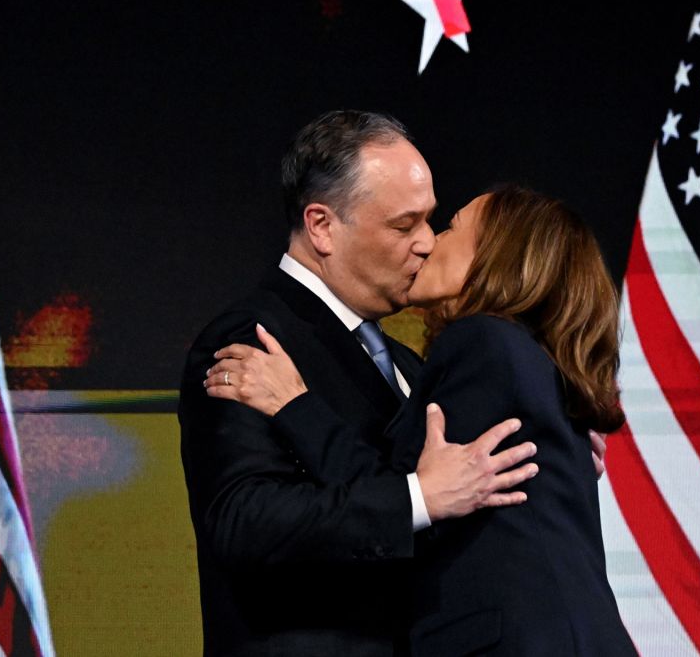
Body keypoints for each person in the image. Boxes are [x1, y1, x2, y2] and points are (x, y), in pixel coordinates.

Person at [208, 184, 633, 656]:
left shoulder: (483, 342)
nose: (431, 242)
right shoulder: (531, 365)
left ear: (500, 258)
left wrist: (293, 404)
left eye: (451, 227)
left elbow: (406, 493)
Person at [178, 111, 543, 657]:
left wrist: (557, 444)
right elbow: (243, 520)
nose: (426, 243)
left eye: (430, 222)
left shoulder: (405, 362)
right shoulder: (253, 339)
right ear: (322, 226)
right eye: (403, 225)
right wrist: (418, 497)